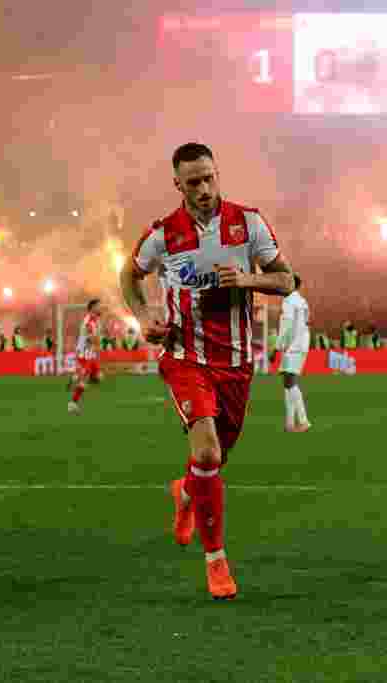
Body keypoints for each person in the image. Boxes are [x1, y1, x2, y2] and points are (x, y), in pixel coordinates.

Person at [120, 142, 295, 600]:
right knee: (208, 454)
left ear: (218, 174)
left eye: (209, 178)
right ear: (177, 184)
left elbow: (288, 279)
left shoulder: (248, 223)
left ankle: (185, 493)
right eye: (193, 181)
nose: (204, 188)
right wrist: (143, 315)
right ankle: (216, 561)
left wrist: (249, 279)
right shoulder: (163, 235)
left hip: (236, 360)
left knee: (213, 461)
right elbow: (129, 275)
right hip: (185, 357)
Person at [278, 274, 312, 432]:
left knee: (290, 382)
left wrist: (276, 347)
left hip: (293, 345)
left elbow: (287, 325)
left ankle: (303, 421)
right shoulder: (302, 301)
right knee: (287, 383)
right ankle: (290, 423)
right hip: (300, 344)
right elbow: (306, 322)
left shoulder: (289, 301)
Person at [68, 299, 104, 413]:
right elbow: (91, 339)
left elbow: (95, 337)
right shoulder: (89, 322)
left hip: (91, 353)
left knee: (99, 378)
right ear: (92, 308)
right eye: (98, 306)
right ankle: (72, 404)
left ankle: (76, 377)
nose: (100, 308)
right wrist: (98, 342)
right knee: (85, 380)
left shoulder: (96, 320)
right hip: (84, 354)